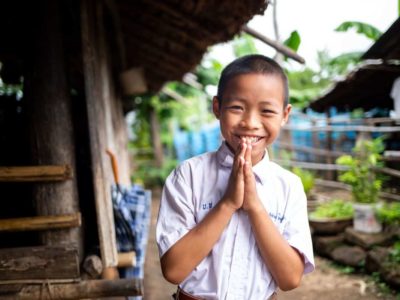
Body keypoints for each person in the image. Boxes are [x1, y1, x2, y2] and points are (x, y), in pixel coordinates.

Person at [156, 54, 315, 300]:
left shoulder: (288, 187)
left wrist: (254, 206)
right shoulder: (188, 176)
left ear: (285, 115)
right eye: (237, 108)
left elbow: (290, 279)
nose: (250, 123)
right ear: (217, 107)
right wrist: (228, 203)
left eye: (267, 111)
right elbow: (174, 270)